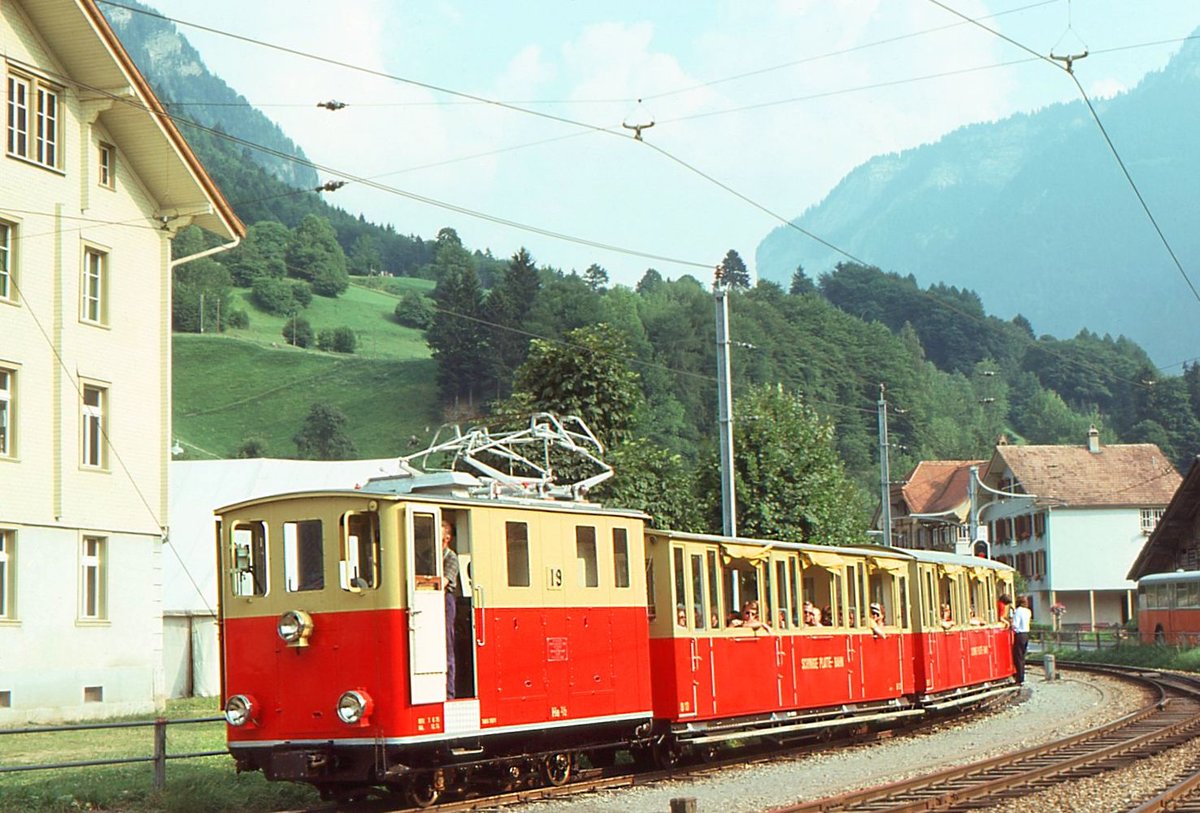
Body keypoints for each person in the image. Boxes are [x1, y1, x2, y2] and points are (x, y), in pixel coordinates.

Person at [441, 518, 459, 699]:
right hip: (430, 601)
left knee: (447, 646)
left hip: (445, 601)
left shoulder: (451, 558)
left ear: (447, 538)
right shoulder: (428, 555)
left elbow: (444, 581)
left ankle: (450, 693)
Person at [1011, 596, 1032, 685]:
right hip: (1026, 634)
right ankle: (1022, 676)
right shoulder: (1028, 611)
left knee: (1018, 657)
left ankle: (1019, 678)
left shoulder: (1018, 611)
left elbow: (1015, 624)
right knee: (1022, 656)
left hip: (1019, 635)